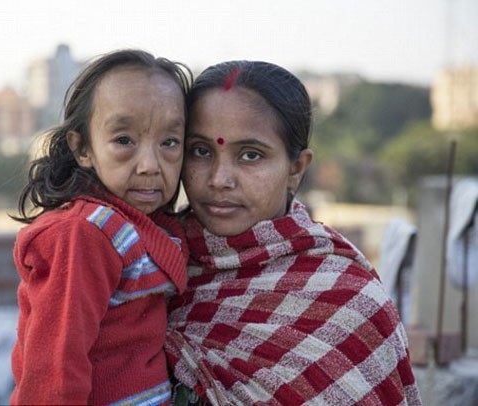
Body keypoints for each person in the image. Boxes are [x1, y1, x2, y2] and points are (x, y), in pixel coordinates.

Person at [165, 61, 422, 405]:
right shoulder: (148, 264)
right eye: (201, 151)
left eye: (250, 155)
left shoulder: (348, 301)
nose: (219, 178)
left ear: (296, 168)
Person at [9, 49, 192, 405]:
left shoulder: (146, 226)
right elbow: (54, 368)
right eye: (124, 140)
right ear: (83, 149)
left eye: (169, 142)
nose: (150, 165)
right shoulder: (85, 234)